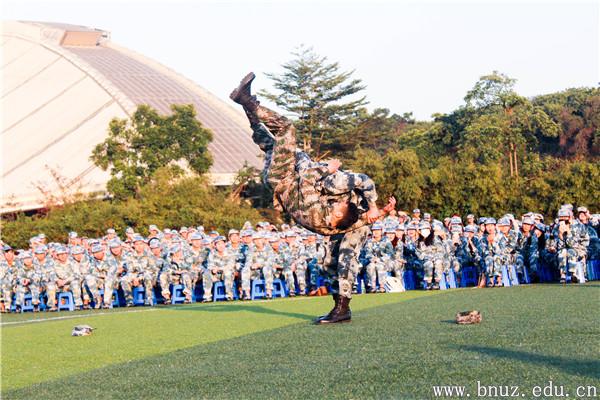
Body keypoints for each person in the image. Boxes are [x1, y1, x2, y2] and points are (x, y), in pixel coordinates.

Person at [230, 72, 393, 324]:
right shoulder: (329, 215)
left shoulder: (326, 195)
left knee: (285, 129)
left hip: (285, 181)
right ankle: (247, 105)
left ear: (337, 211)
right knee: (272, 143)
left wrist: (330, 172)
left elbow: (312, 178)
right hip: (287, 183)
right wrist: (377, 213)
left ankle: (247, 102)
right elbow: (346, 217)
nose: (338, 201)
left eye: (339, 203)